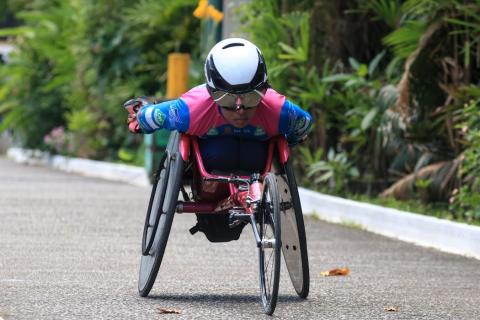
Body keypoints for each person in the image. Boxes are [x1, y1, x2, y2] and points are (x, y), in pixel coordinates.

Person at [125, 37, 312, 174]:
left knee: (248, 153)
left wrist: (291, 140)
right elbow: (149, 115)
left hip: (256, 160)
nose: (240, 109)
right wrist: (140, 116)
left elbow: (304, 124)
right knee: (224, 151)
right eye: (227, 99)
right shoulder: (192, 109)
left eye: (250, 98)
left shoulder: (278, 110)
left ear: (264, 91)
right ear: (211, 92)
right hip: (212, 158)